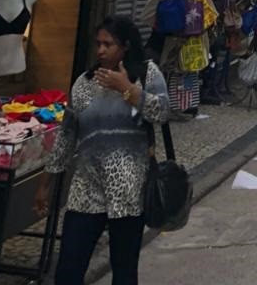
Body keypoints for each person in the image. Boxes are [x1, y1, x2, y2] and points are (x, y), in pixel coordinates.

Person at [39, 15, 169, 285]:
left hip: (128, 189)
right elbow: (67, 136)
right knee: (68, 268)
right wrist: (46, 182)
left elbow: (162, 112)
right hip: (86, 188)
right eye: (98, 43)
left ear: (125, 47)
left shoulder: (146, 74)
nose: (100, 50)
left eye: (108, 44)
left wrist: (127, 90)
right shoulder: (83, 83)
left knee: (123, 271)